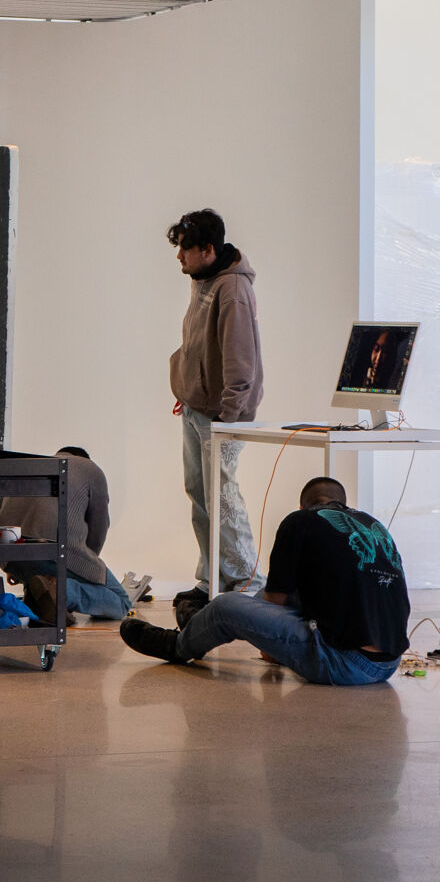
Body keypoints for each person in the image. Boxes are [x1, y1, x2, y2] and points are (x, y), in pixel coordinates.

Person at [120, 476, 410, 685]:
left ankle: (179, 645)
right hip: (389, 663)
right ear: (343, 504)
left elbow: (274, 602)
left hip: (344, 663)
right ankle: (199, 625)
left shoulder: (299, 522)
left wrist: (271, 650)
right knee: (263, 598)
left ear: (303, 506)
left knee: (226, 607)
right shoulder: (373, 525)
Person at [167, 208, 264, 625]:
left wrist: (225, 419)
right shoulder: (203, 280)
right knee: (200, 493)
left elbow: (240, 363)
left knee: (222, 497)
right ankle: (211, 580)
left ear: (208, 249)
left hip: (222, 416)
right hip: (196, 408)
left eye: (186, 250)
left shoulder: (233, 290)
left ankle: (244, 582)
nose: (179, 258)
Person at [0, 446, 132, 621]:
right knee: (121, 602)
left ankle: (43, 598)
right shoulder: (91, 469)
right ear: (84, 459)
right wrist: (88, 565)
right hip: (55, 553)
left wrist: (13, 566)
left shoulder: (30, 466)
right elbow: (99, 530)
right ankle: (61, 593)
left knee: (42, 574)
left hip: (8, 556)